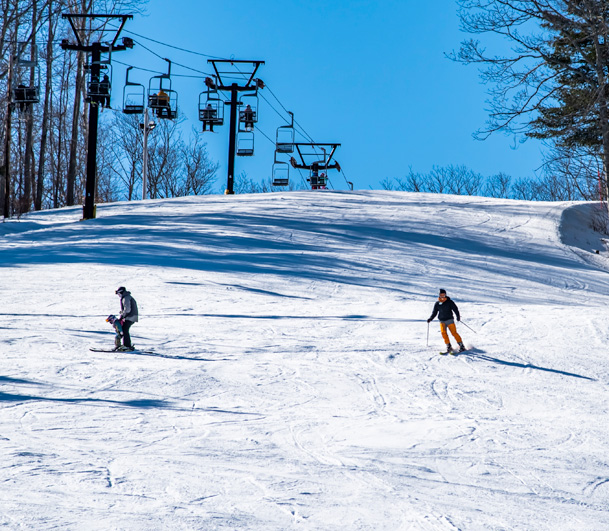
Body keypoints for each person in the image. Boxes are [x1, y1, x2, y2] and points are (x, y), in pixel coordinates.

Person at [427, 289, 466, 354]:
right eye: (441, 295)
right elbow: (434, 312)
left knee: (454, 333)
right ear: (439, 295)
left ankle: (461, 345)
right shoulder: (437, 303)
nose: (442, 296)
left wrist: (458, 316)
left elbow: (455, 309)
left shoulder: (449, 302)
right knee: (443, 333)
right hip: (442, 321)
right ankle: (448, 346)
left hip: (449, 319)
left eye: (443, 295)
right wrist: (430, 318)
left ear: (445, 295)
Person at [116, 286, 138, 351]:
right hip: (131, 316)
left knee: (124, 329)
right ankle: (126, 344)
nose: (119, 295)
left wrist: (122, 315)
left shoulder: (126, 298)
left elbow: (127, 309)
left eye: (119, 294)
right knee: (124, 329)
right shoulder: (127, 297)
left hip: (130, 316)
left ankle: (127, 346)